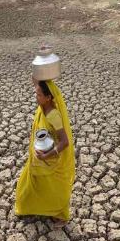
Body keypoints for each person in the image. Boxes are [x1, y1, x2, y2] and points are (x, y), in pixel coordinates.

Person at [15, 78, 75, 228]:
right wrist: (41, 66)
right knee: (30, 185)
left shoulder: (53, 115)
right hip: (39, 155)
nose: (36, 97)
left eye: (39, 95)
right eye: (36, 94)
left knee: (53, 188)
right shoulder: (43, 106)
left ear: (49, 97)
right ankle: (28, 207)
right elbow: (35, 80)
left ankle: (60, 214)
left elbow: (64, 141)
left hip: (49, 157)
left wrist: (46, 156)